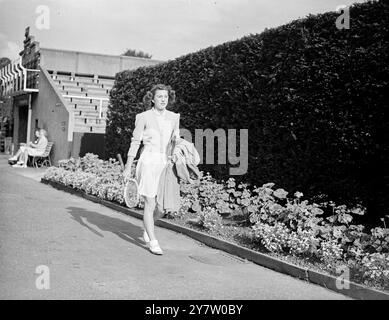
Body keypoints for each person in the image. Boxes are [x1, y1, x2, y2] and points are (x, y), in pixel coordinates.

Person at [123, 84, 180, 255]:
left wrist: (176, 153)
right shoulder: (143, 117)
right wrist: (128, 166)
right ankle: (153, 241)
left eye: (166, 97)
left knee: (162, 208)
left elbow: (175, 140)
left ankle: (148, 227)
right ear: (152, 99)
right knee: (150, 202)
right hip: (148, 161)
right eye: (160, 96)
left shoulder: (174, 117)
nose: (163, 99)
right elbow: (135, 142)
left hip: (165, 163)